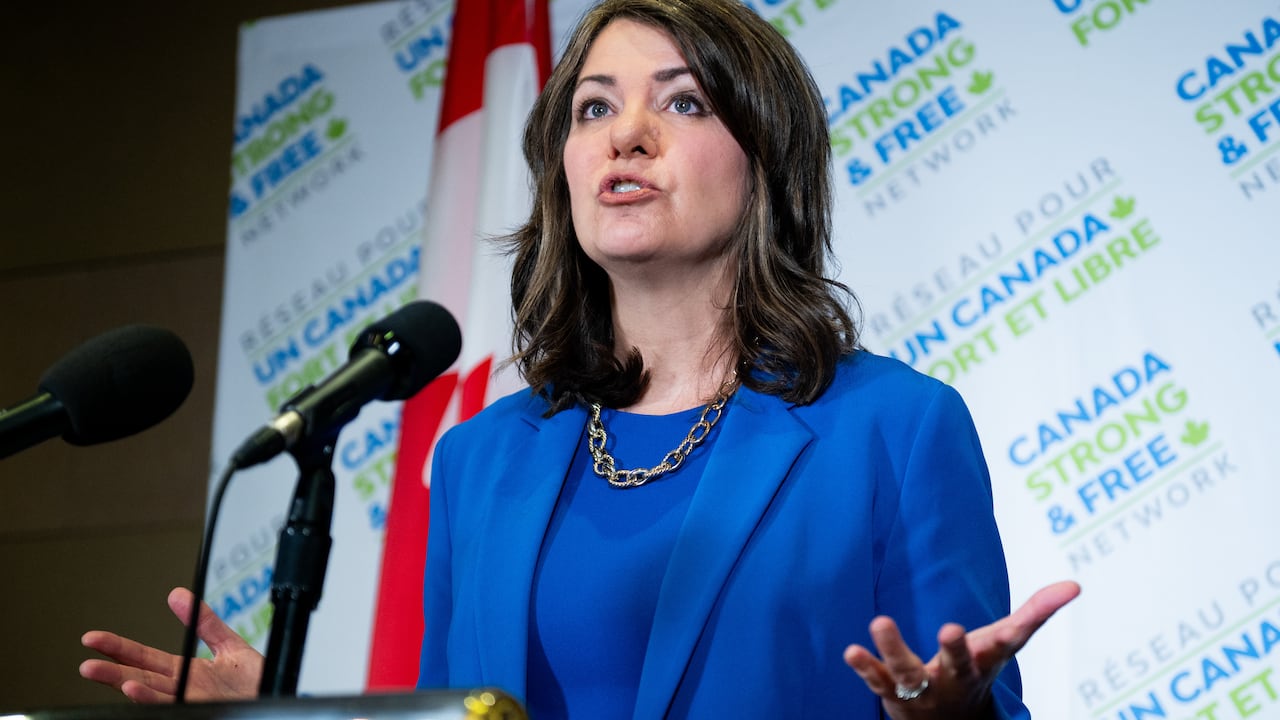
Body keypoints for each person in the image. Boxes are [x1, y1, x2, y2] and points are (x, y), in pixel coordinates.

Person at [81, 0, 1080, 717]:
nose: (626, 136)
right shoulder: (481, 458)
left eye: (682, 104)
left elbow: (963, 694)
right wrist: (297, 718)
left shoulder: (893, 428)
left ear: (765, 156)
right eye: (593, 109)